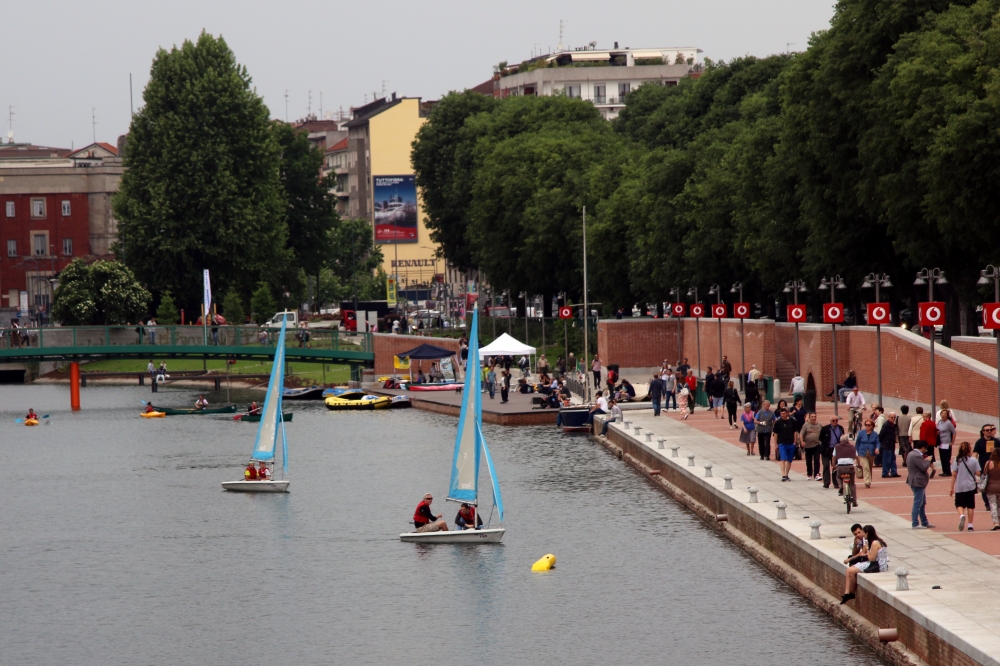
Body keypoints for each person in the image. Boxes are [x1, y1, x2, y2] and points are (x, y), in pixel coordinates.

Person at [841, 525, 888, 604]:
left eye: (863, 532)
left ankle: (852, 593)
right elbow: (860, 553)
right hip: (874, 563)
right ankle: (847, 593)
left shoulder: (874, 543)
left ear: (867, 533)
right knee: (849, 570)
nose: (862, 535)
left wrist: (867, 549)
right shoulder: (873, 542)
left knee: (851, 572)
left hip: (878, 565)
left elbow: (871, 559)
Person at [951, 441, 981, 531]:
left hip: (960, 485)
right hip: (971, 485)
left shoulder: (957, 460)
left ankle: (961, 515)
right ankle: (970, 525)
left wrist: (951, 487)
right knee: (970, 505)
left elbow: (954, 474)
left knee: (959, 504)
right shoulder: (973, 460)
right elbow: (978, 473)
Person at [906, 441, 935, 528]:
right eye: (925, 449)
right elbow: (923, 467)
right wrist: (928, 461)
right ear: (922, 447)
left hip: (916, 481)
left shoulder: (911, 454)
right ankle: (915, 523)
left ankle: (924, 521)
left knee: (922, 502)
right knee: (918, 503)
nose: (925, 451)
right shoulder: (916, 455)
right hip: (917, 482)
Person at [773, 408, 801, 482]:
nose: (782, 415)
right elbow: (775, 434)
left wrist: (795, 441)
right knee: (783, 459)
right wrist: (775, 444)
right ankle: (783, 475)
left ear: (787, 413)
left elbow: (795, 431)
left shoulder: (792, 421)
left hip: (791, 443)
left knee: (789, 460)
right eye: (781, 414)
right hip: (782, 443)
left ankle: (786, 474)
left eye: (784, 413)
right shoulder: (778, 422)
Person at [819, 416, 845, 489]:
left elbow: (842, 438)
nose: (835, 422)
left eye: (836, 420)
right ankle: (826, 482)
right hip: (826, 449)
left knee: (835, 466)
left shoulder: (840, 428)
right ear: (830, 421)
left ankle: (836, 483)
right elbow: (820, 438)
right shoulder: (825, 428)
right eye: (833, 420)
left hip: (836, 450)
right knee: (826, 465)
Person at [835, 434, 859, 507]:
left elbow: (833, 457)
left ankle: (841, 486)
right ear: (848, 440)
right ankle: (854, 501)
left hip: (840, 467)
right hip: (850, 467)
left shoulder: (837, 447)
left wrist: (833, 466)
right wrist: (859, 465)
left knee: (838, 476)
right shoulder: (852, 447)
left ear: (840, 441)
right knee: (852, 484)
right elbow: (857, 457)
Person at [855, 419, 880, 488]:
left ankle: (869, 480)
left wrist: (877, 448)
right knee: (865, 467)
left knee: (869, 467)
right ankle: (867, 482)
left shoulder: (875, 434)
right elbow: (857, 443)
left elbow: (877, 442)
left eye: (869, 425)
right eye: (866, 425)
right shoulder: (861, 433)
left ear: (872, 426)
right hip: (862, 452)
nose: (867, 426)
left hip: (871, 452)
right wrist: (857, 451)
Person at [801, 412, 823, 480]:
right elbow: (801, 434)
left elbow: (822, 434)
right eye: (812, 417)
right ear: (809, 418)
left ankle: (816, 474)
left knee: (817, 460)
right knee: (809, 460)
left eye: (814, 416)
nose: (813, 418)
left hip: (817, 444)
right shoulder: (806, 425)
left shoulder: (819, 425)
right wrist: (802, 441)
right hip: (808, 445)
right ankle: (809, 474)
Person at [983, 447, 1000, 530]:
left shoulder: (988, 463)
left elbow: (984, 474)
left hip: (990, 487)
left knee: (993, 505)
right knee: (999, 506)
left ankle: (995, 522)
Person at [880, 412, 900, 478]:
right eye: (892, 417)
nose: (893, 419)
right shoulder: (886, 425)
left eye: (894, 417)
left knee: (892, 459)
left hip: (891, 445)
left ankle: (894, 472)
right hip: (886, 445)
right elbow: (881, 434)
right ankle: (885, 473)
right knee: (886, 460)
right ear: (888, 417)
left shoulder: (893, 425)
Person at [937, 408, 957, 477]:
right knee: (942, 457)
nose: (943, 415)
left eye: (945, 414)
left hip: (946, 442)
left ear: (947, 415)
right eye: (942, 413)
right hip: (940, 442)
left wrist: (952, 441)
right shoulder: (939, 422)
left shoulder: (948, 423)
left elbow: (954, 432)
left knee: (946, 458)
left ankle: (948, 471)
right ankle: (944, 471)